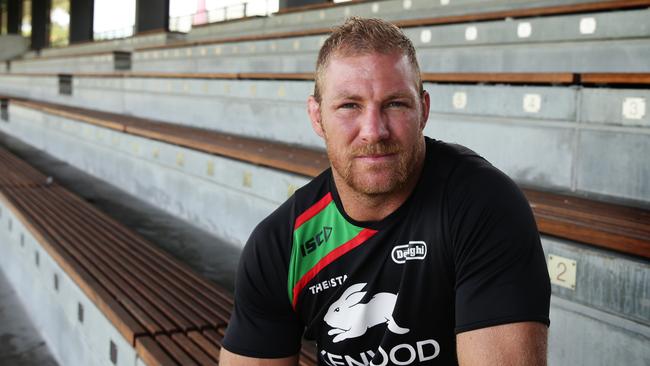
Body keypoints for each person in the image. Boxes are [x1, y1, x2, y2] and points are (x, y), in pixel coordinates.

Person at [221, 17, 550, 366]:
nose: (374, 131)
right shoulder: (282, 243)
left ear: (423, 110)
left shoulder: (483, 206)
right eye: (349, 105)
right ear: (317, 117)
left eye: (395, 104)